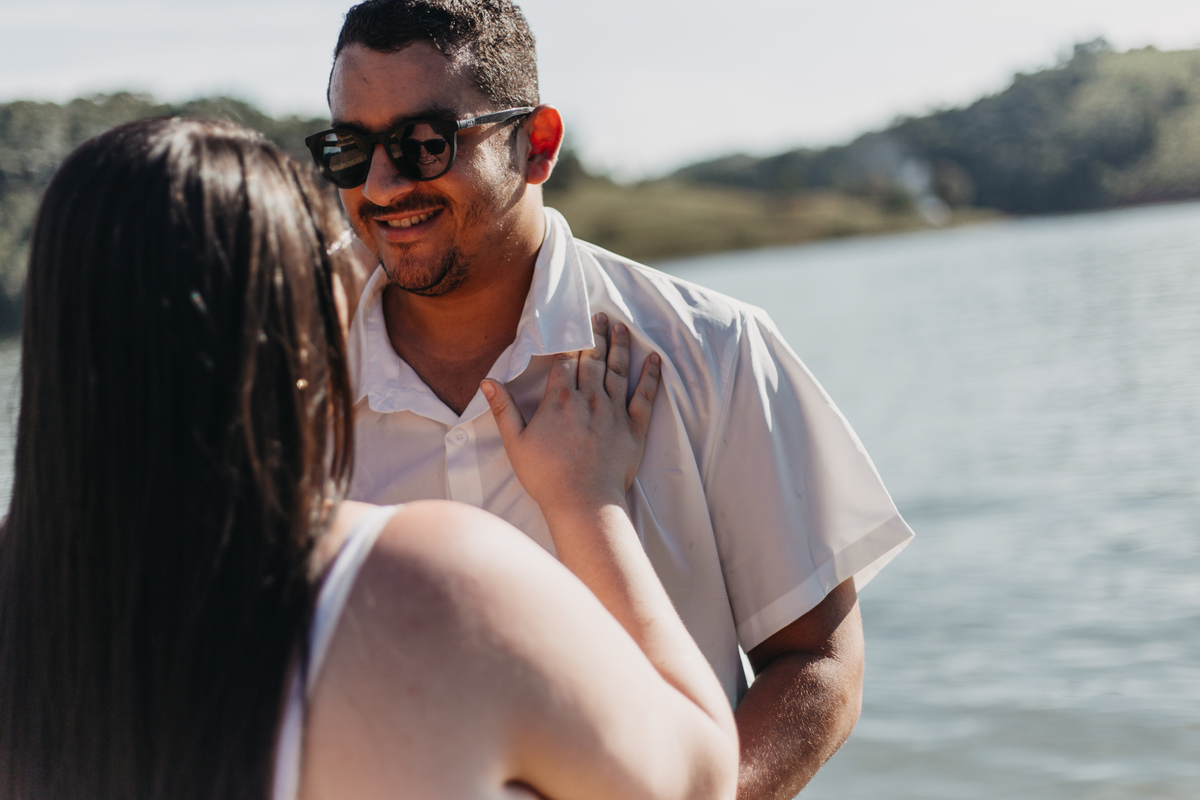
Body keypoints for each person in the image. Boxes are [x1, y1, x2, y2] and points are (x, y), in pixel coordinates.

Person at [0, 117, 739, 800]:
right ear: (292, 337)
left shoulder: (32, 609)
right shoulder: (429, 581)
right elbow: (698, 776)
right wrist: (587, 502)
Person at [311, 2, 916, 797]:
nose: (381, 185)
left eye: (426, 144)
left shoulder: (716, 348)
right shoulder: (285, 382)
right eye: (350, 151)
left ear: (537, 144)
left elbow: (819, 662)